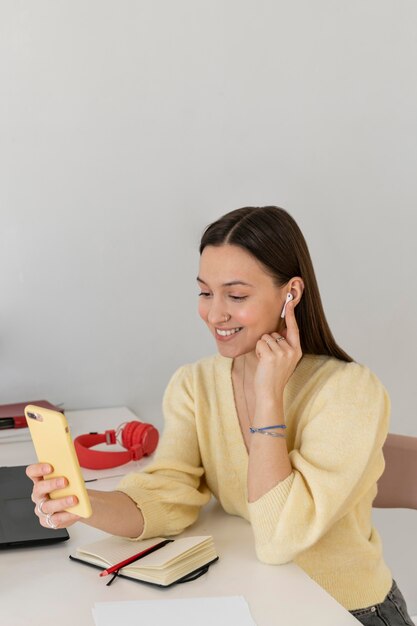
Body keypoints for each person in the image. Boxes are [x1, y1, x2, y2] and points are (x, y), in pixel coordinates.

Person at [27, 206, 414, 626]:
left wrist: (269, 396)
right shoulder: (196, 384)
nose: (215, 315)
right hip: (263, 602)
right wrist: (83, 505)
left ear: (292, 294)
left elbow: (279, 538)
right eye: (205, 292)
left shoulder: (349, 391)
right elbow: (166, 496)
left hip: (346, 611)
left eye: (237, 295)